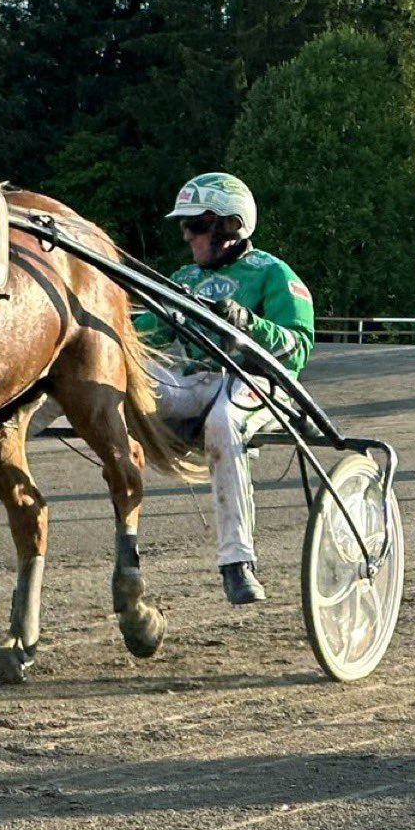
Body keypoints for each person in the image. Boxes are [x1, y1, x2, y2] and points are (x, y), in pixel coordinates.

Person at [135, 172, 315, 605]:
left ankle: (238, 561)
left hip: (258, 382)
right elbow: (142, 337)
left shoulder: (273, 273)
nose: (185, 234)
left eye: (194, 224)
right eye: (185, 225)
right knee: (123, 380)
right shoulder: (183, 277)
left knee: (222, 420)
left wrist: (249, 325)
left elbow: (298, 347)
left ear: (229, 226)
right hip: (197, 380)